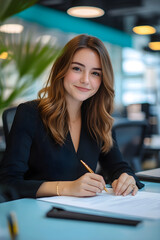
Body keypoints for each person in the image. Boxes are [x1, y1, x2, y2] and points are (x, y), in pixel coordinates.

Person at [0, 34, 144, 200]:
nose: (85, 80)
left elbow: (118, 167)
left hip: (82, 215)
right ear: (62, 70)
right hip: (37, 214)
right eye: (77, 68)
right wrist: (67, 187)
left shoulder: (97, 120)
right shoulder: (30, 113)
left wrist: (127, 178)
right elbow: (8, 183)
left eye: (95, 73)